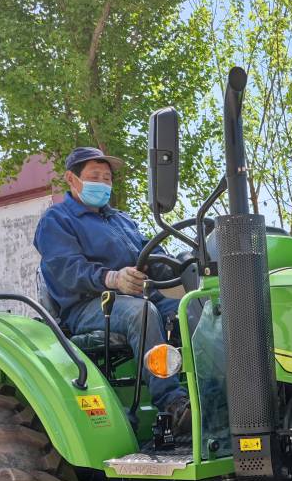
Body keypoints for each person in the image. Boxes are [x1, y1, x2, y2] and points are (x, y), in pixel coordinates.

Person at [34, 147, 190, 427]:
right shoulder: (56, 220)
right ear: (72, 179)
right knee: (141, 313)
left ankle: (214, 394)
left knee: (196, 309)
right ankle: (173, 404)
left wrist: (184, 265)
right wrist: (113, 278)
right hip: (88, 306)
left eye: (107, 178)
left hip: (142, 296)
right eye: (95, 176)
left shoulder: (122, 220)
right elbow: (66, 269)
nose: (103, 184)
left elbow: (151, 256)